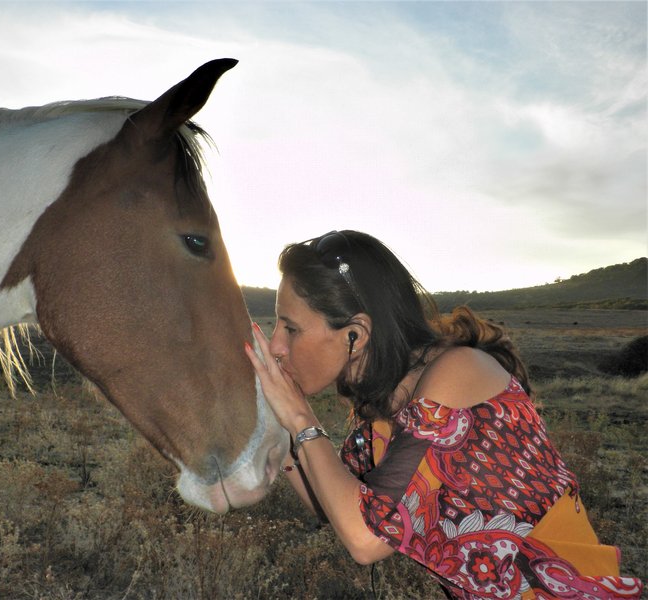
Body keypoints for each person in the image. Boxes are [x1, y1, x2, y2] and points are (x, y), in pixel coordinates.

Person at [244, 230, 642, 599]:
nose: (277, 345)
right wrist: (280, 430)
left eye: (291, 328)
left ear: (356, 335)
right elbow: (332, 504)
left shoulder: (456, 372)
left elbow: (366, 539)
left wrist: (301, 420)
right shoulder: (383, 411)